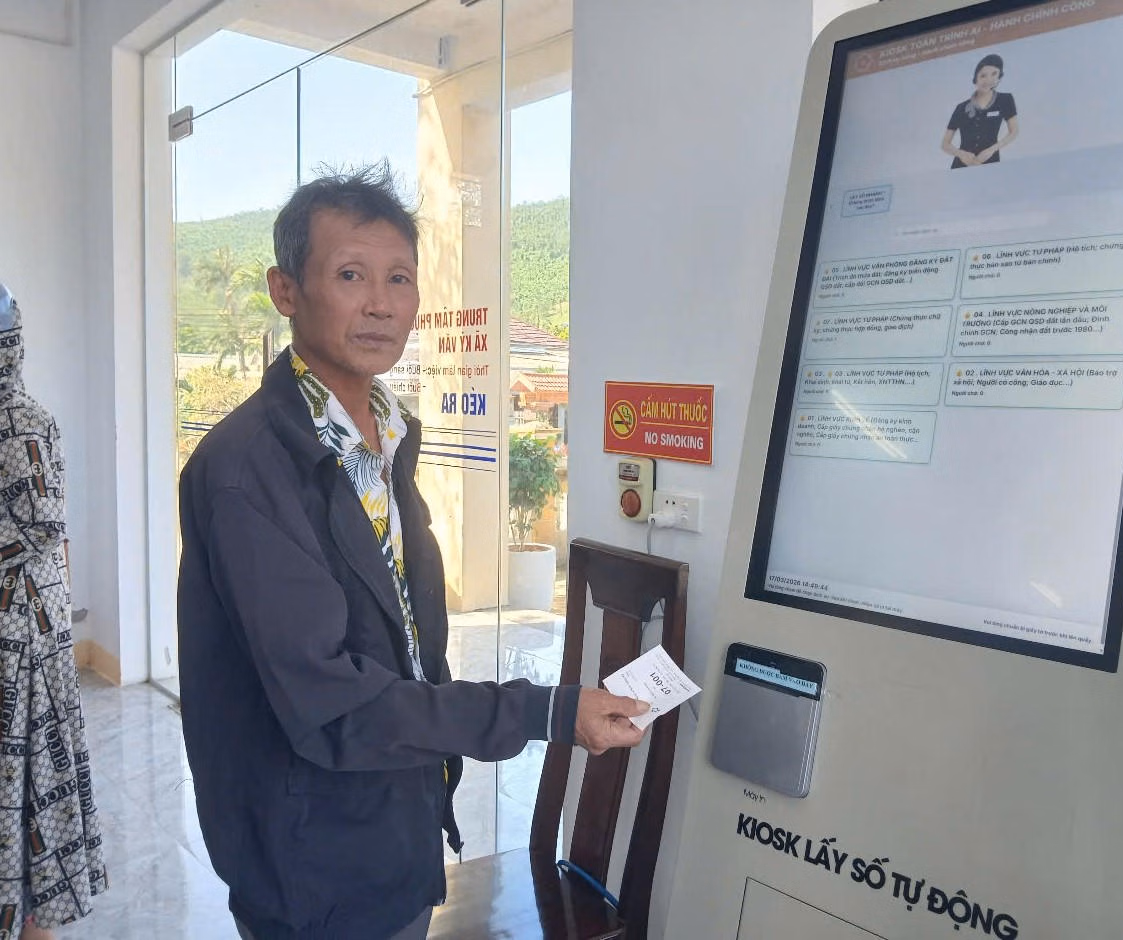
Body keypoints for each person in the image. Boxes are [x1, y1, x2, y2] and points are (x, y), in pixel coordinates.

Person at [176, 165, 650, 940]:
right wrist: (548, 711)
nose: (381, 303)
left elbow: (401, 649)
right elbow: (332, 703)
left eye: (399, 277)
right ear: (285, 290)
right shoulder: (247, 469)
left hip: (393, 821)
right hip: (311, 859)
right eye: (350, 274)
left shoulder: (386, 437)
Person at [0, 285, 107, 940]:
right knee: (26, 782)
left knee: (28, 781)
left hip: (25, 632)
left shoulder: (26, 420)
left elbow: (41, 526)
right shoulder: (24, 418)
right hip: (24, 630)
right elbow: (42, 526)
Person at [941, 53, 1019, 169]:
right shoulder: (961, 107)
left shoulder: (1005, 100)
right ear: (975, 78)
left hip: (990, 161)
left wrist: (992, 150)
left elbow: (1014, 131)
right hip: (962, 165)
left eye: (994, 74)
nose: (988, 80)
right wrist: (961, 154)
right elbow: (945, 144)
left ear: (999, 76)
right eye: (983, 76)